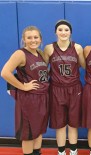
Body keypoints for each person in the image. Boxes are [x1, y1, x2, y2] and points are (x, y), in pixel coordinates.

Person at [1, 26, 49, 155]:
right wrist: (23, 86)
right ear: (24, 39)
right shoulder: (20, 54)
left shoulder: (40, 53)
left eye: (36, 37)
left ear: (40, 39)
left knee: (39, 130)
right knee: (28, 134)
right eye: (29, 38)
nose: (33, 40)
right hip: (29, 99)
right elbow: (5, 73)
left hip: (42, 97)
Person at [43, 19, 85, 155]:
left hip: (74, 89)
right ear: (55, 32)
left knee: (73, 123)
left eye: (66, 30)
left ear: (70, 32)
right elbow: (42, 69)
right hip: (56, 89)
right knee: (59, 124)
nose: (63, 32)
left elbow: (84, 65)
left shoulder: (77, 47)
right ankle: (61, 151)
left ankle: (73, 151)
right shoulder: (49, 48)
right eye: (60, 29)